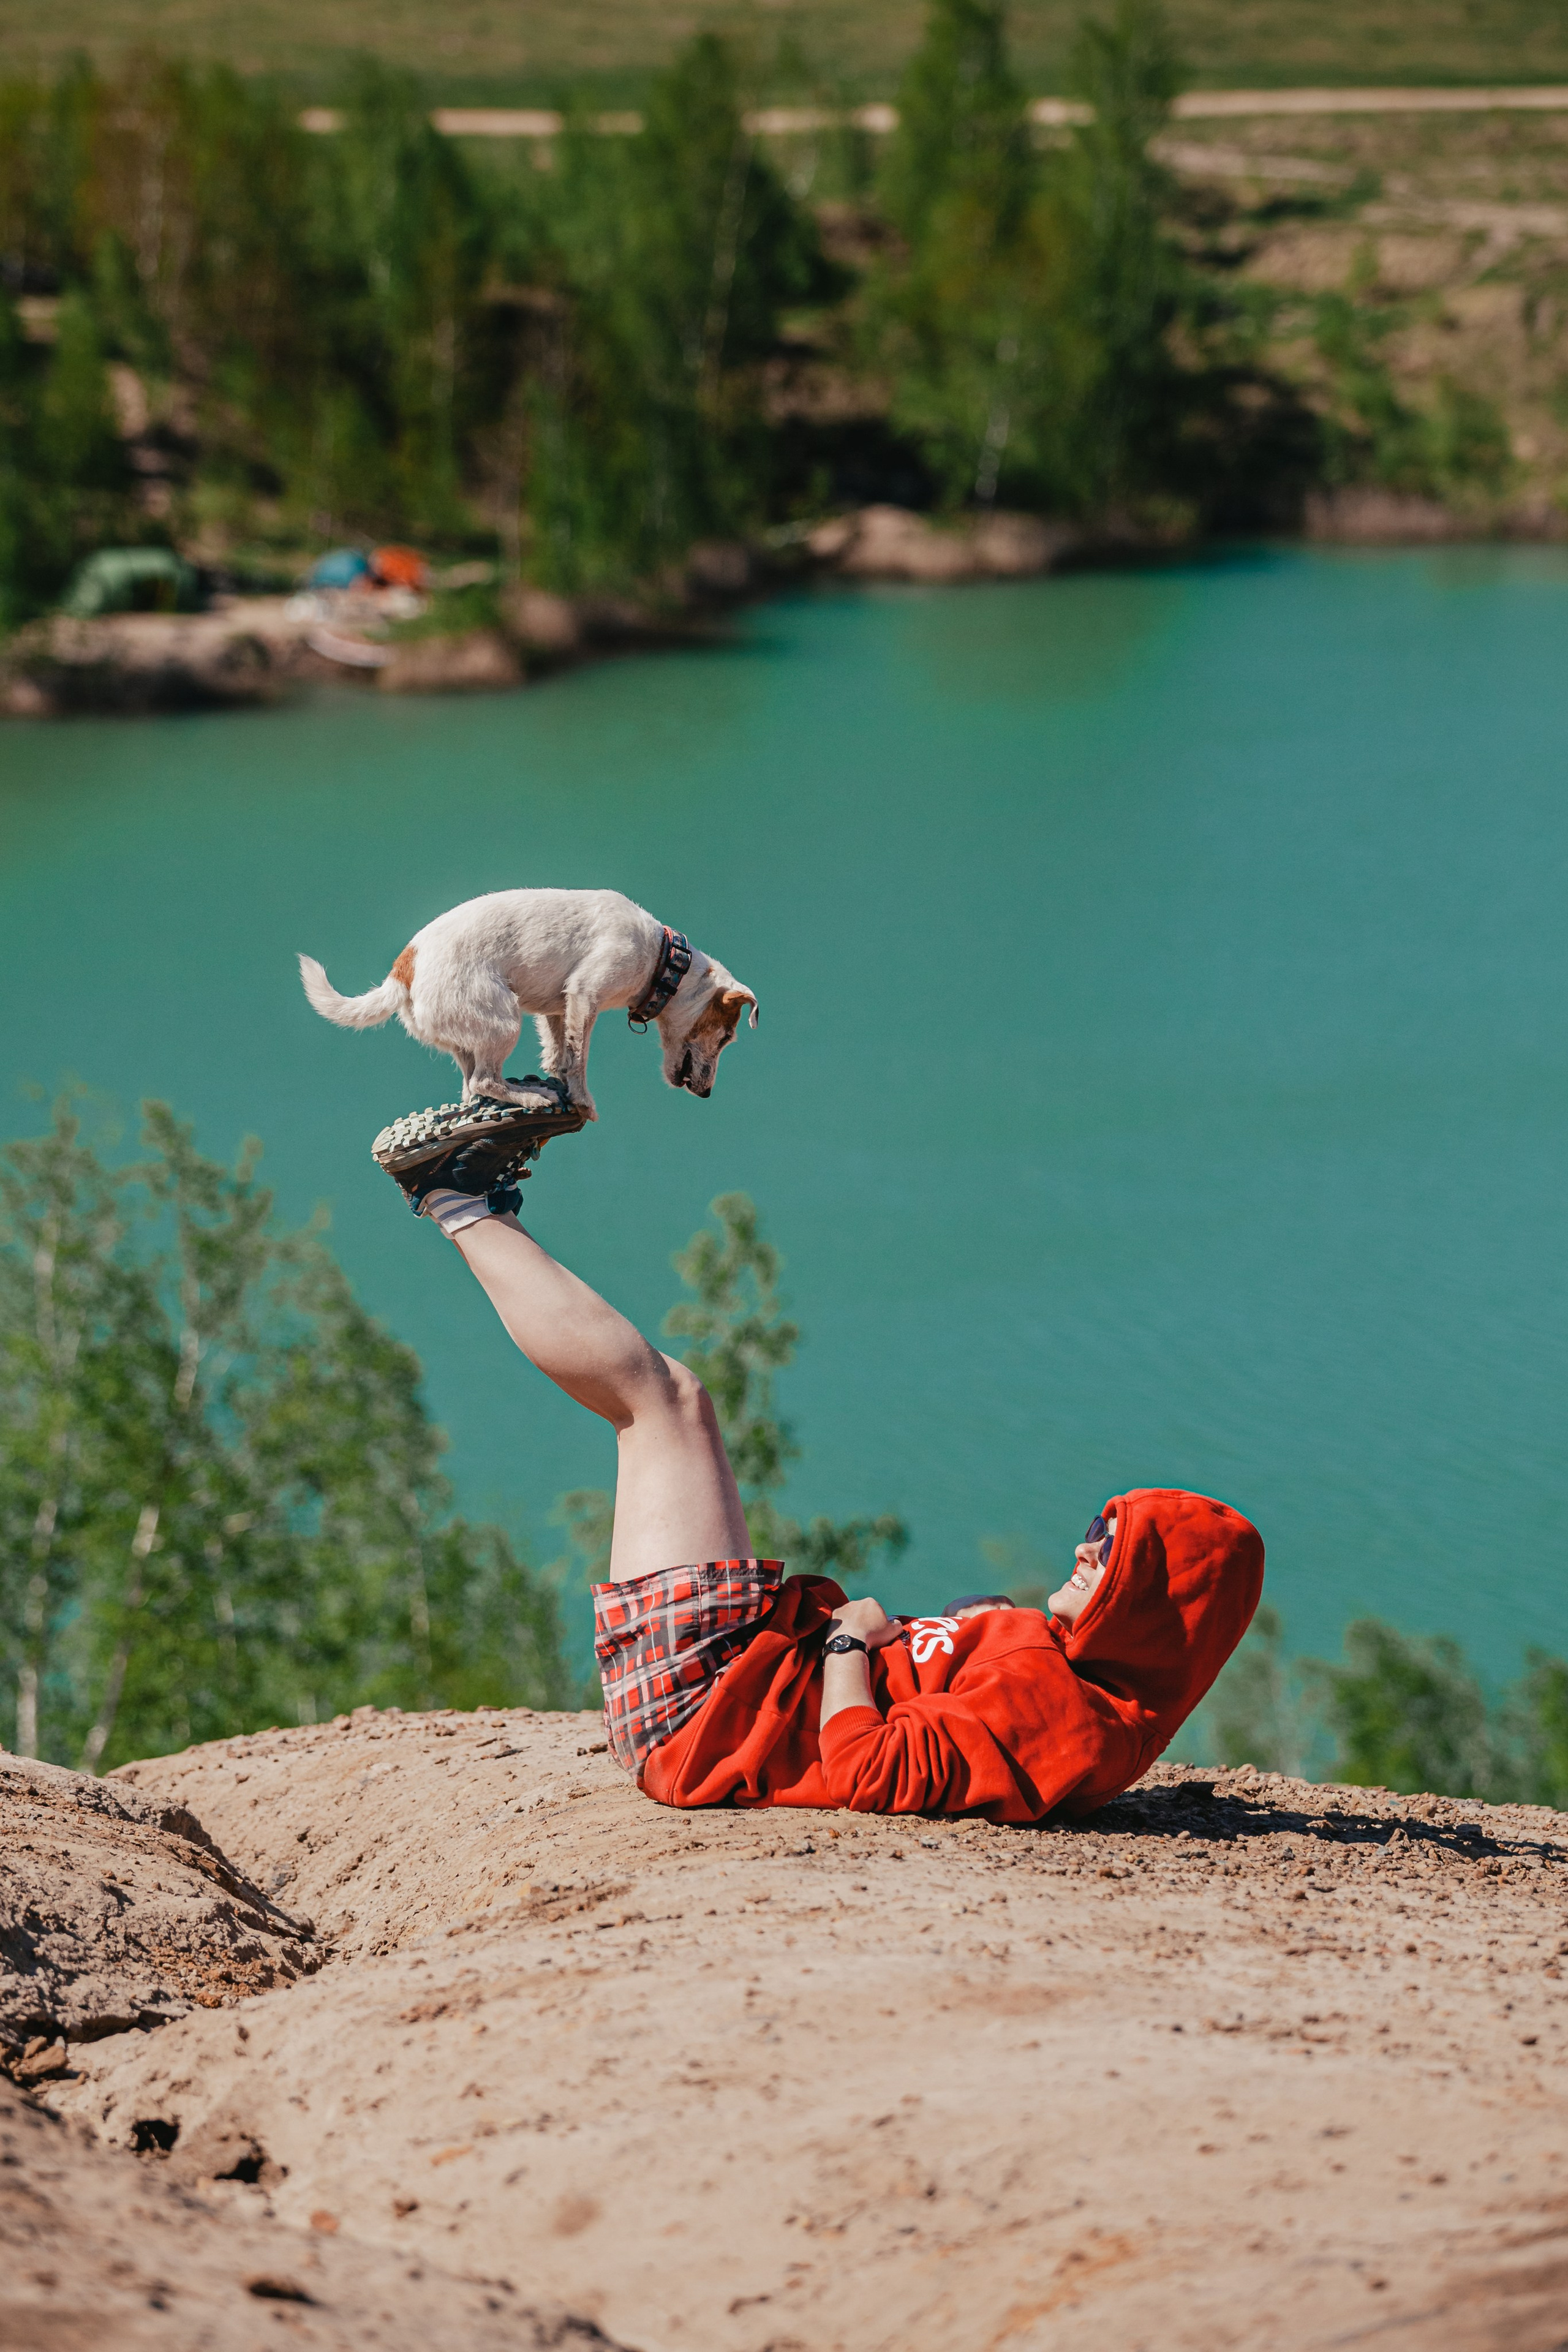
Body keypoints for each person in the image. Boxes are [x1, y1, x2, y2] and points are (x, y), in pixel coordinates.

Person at [374, 1095, 1265, 1822]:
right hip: (742, 1680)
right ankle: (467, 1203)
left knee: (663, 1404)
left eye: (1112, 1553)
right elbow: (956, 1717)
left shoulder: (1074, 1717)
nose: (1083, 1549)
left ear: (1154, 1607)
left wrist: (849, 1642)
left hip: (709, 1708)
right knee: (672, 1405)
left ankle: (459, 1200)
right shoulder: (1069, 1679)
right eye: (1094, 1529)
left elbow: (871, 1772)